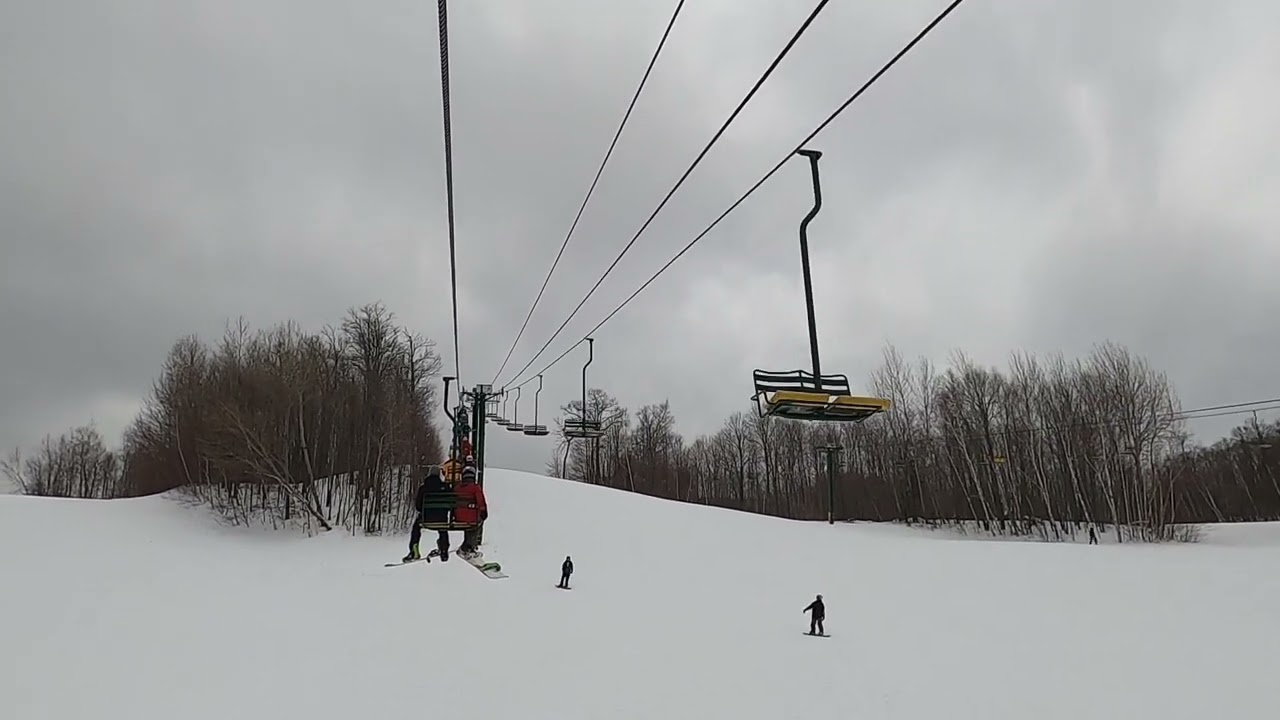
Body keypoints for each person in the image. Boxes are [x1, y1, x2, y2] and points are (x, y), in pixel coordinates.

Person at [404, 464, 452, 563]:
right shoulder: (445, 487)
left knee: (416, 527)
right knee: (443, 528)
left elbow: (418, 506)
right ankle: (444, 550)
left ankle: (414, 550)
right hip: (441, 519)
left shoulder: (423, 488)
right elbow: (450, 505)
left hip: (426, 519)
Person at [454, 464, 487, 556]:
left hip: (458, 517)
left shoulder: (457, 488)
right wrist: (483, 511)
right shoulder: (475, 488)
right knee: (477, 522)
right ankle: (468, 547)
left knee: (468, 520)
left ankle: (467, 545)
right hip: (471, 518)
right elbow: (480, 501)